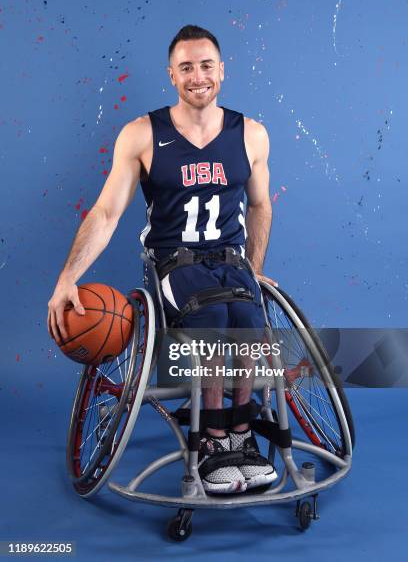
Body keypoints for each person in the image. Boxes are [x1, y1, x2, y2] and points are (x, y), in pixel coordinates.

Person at [48, 24, 278, 495]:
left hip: (229, 259)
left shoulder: (251, 134)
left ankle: (241, 434)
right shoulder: (142, 134)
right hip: (174, 262)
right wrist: (68, 277)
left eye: (206, 65)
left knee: (251, 319)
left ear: (222, 71)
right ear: (172, 75)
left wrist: (253, 269)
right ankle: (213, 438)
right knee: (214, 317)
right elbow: (107, 211)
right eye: (187, 67)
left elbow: (260, 206)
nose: (198, 76)